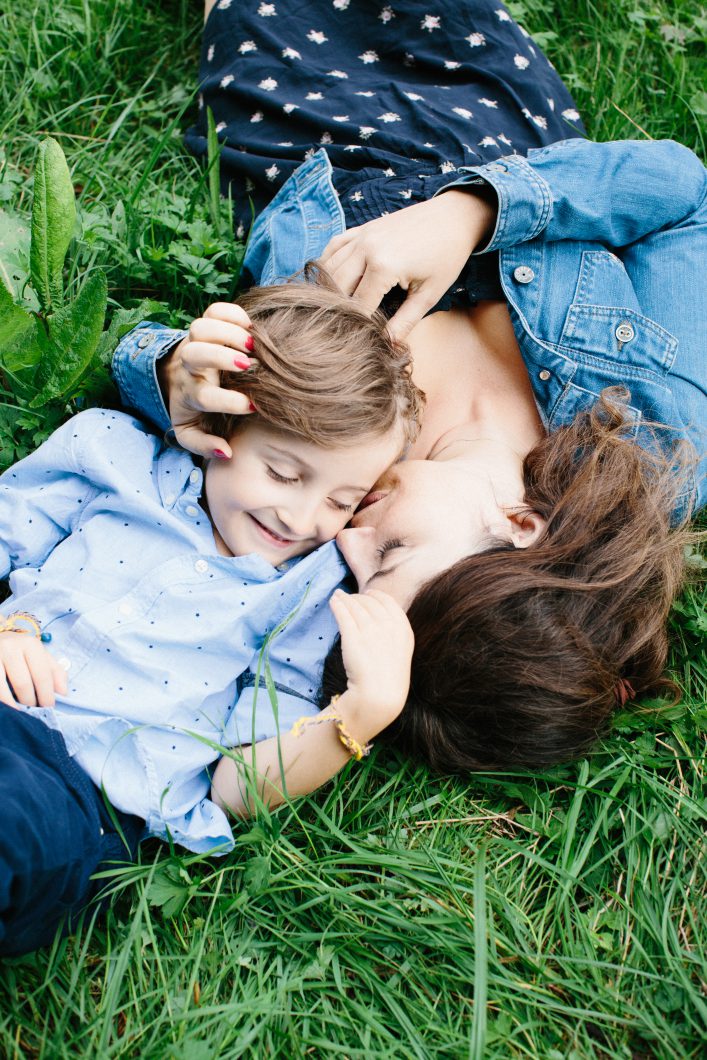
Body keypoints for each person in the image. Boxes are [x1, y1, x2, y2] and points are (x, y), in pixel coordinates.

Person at [115, 0, 706, 772]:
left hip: (296, 129)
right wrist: (470, 213)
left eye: (357, 575)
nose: (346, 537)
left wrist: (170, 375)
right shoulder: (660, 437)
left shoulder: (330, 472)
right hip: (486, 111)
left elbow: (174, 390)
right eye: (392, 552)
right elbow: (682, 196)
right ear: (520, 526)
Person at [0, 280, 420, 956]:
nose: (303, 517)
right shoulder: (111, 454)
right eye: (283, 473)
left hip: (78, 788)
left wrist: (360, 714)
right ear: (218, 423)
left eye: (343, 500)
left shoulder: (312, 594)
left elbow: (236, 785)